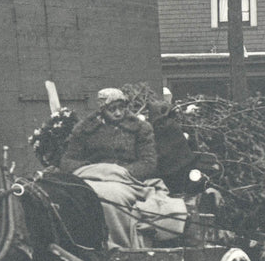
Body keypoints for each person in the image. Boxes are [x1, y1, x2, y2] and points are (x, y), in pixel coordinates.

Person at [59, 88, 183, 247]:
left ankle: (117, 245)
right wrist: (94, 169)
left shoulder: (140, 128)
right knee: (78, 195)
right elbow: (68, 161)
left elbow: (148, 163)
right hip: (92, 177)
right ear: (102, 110)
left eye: (121, 108)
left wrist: (119, 171)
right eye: (112, 109)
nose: (118, 113)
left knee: (109, 198)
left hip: (127, 181)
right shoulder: (83, 129)